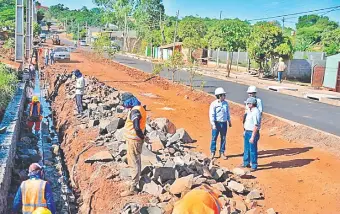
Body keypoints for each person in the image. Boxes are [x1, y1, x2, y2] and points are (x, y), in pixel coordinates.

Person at [120, 93, 147, 197]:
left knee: (133, 162)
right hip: (134, 140)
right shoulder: (139, 108)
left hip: (134, 141)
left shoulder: (135, 111)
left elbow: (136, 127)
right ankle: (136, 181)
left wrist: (142, 137)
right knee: (136, 160)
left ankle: (133, 187)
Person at [209, 87, 232, 160]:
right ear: (219, 96)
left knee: (223, 138)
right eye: (223, 95)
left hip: (224, 123)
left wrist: (229, 121)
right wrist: (213, 124)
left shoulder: (226, 103)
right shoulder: (214, 104)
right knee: (214, 138)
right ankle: (212, 152)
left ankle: (222, 152)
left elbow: (227, 113)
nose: (225, 96)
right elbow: (211, 114)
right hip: (216, 123)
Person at [242, 97, 262, 172]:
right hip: (247, 132)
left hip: (252, 133)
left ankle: (254, 165)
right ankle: (246, 162)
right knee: (246, 148)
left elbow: (256, 125)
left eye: (248, 103)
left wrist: (253, 136)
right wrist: (245, 131)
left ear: (251, 104)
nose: (247, 105)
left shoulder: (256, 112)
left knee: (252, 150)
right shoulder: (250, 111)